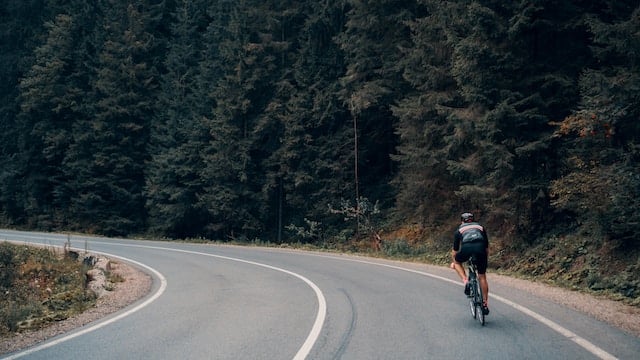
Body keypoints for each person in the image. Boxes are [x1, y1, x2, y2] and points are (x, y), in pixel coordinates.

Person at [450, 212, 490, 315]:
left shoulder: (459, 230)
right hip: (480, 249)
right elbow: (486, 247)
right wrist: (484, 259)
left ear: (462, 221)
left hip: (466, 249)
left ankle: (465, 280)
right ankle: (485, 303)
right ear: (473, 220)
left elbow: (455, 251)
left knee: (457, 261)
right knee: (482, 276)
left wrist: (453, 261)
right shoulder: (480, 227)